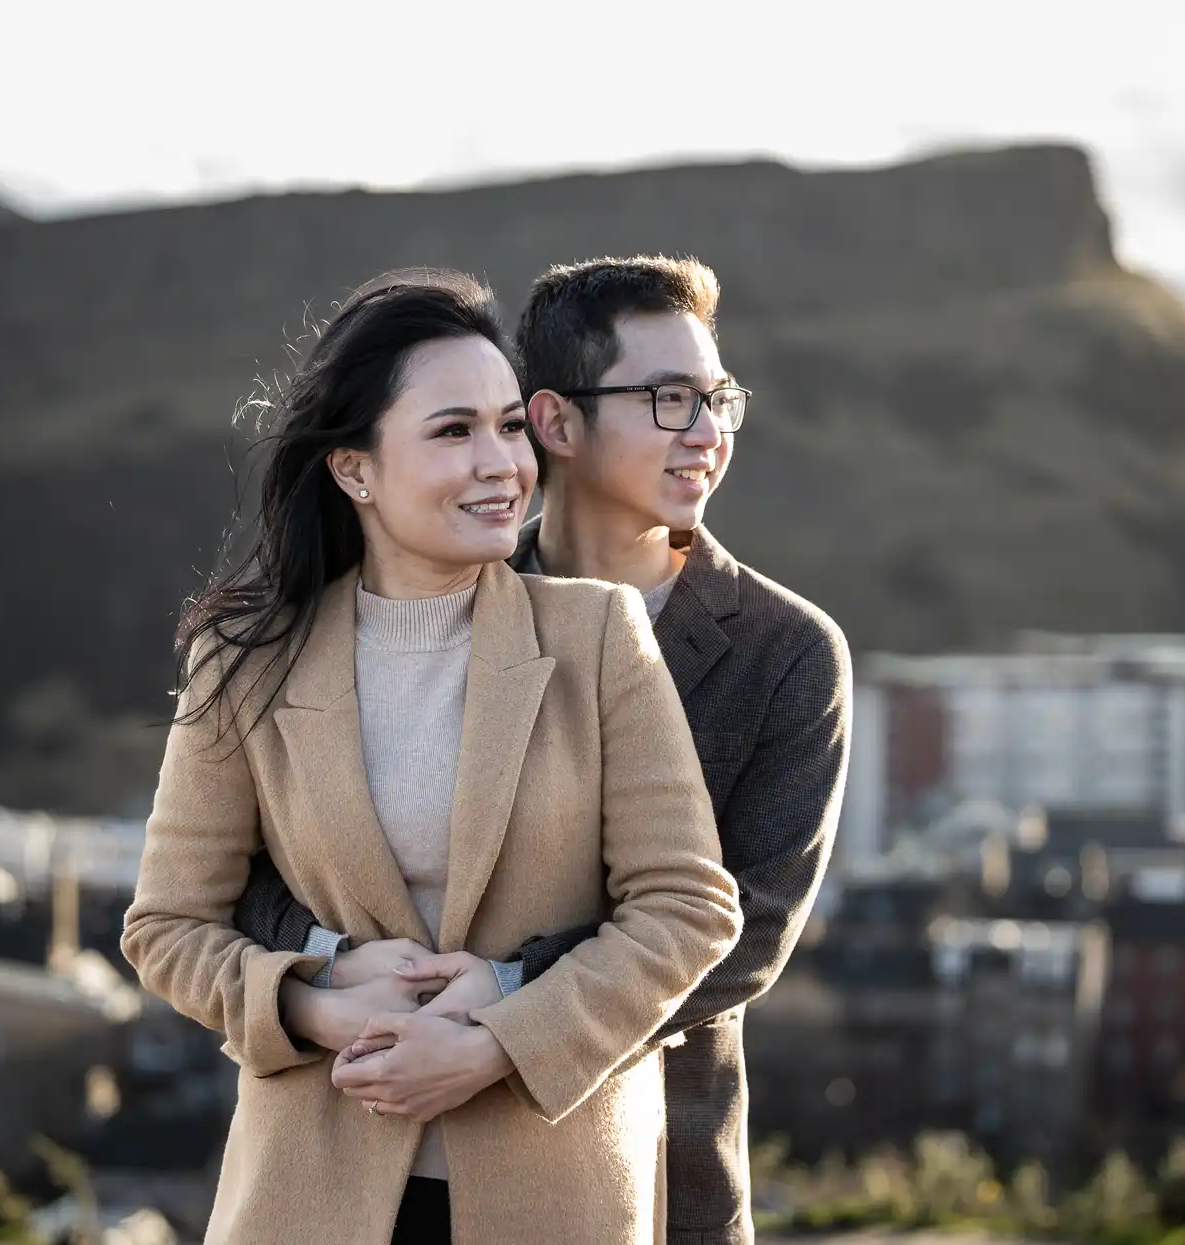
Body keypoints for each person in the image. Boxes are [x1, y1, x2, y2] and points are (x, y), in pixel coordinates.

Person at [235, 256, 852, 1244]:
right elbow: (261, 868)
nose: (707, 433)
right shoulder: (424, 599)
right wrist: (339, 975)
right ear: (554, 423)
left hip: (644, 1161)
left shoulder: (788, 653)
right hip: (371, 1144)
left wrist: (500, 1012)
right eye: (667, 399)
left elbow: (743, 931)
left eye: (717, 398)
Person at [121, 269, 743, 1245]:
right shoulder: (243, 660)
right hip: (309, 1190)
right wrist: (316, 999)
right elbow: (167, 924)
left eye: (508, 426)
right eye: (453, 432)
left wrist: (496, 1038)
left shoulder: (596, 634)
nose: (501, 463)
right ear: (353, 468)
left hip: (554, 1186)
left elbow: (686, 906)